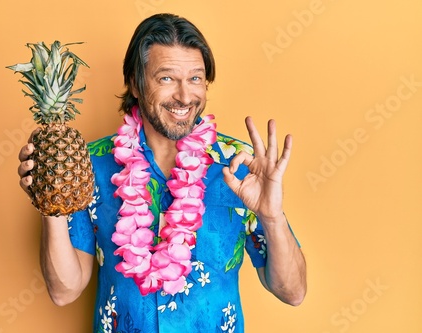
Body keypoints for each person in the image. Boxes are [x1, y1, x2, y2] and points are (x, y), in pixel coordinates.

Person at [18, 13, 306, 333]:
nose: (185, 96)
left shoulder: (241, 166)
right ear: (136, 85)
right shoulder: (90, 163)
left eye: (195, 78)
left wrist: (272, 216)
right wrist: (51, 199)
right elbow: (64, 290)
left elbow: (292, 292)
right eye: (167, 78)